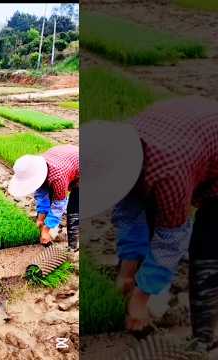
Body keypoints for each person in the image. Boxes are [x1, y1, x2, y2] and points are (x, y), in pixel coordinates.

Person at [81, 96, 218, 351]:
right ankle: (155, 287)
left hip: (205, 151)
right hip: (189, 135)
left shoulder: (168, 171)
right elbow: (129, 217)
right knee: (157, 216)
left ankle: (204, 338)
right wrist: (127, 272)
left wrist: (139, 299)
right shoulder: (116, 154)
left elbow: (171, 238)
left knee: (205, 251)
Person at [8, 144, 79, 249]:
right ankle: (51, 228)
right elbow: (41, 195)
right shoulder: (37, 169)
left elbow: (59, 205)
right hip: (65, 159)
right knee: (50, 196)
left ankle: (73, 246)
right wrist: (41, 219)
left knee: (74, 207)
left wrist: (46, 230)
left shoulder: (57, 177)